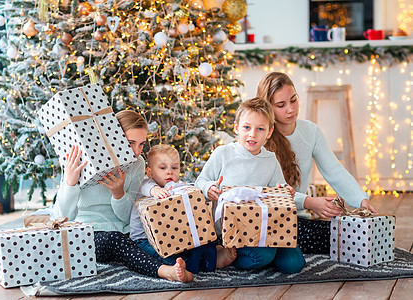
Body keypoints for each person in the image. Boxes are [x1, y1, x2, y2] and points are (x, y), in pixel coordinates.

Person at [53, 110, 193, 282]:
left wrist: (118, 195)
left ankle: (198, 262)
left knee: (156, 234)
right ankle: (165, 271)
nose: (136, 151)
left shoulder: (137, 163)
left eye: (141, 144)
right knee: (115, 239)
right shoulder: (81, 159)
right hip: (89, 234)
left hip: (125, 232)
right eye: (130, 143)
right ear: (113, 136)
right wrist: (70, 184)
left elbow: (129, 218)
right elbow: (61, 217)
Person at [256, 72, 377, 254]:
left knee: (351, 235)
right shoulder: (259, 137)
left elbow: (335, 171)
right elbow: (266, 191)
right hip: (267, 219)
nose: (290, 109)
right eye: (281, 105)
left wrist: (361, 199)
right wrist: (309, 202)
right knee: (337, 240)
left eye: (294, 100)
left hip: (298, 220)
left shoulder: (311, 132)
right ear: (268, 107)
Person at [195, 98, 306, 274]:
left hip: (266, 227)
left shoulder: (270, 159)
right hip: (234, 232)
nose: (252, 134)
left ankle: (267, 254)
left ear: (269, 132)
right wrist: (209, 187)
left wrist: (285, 191)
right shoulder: (223, 153)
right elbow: (200, 181)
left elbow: (279, 189)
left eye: (260, 129)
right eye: (247, 127)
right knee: (262, 256)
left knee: (295, 264)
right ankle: (227, 255)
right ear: (237, 127)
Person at [129, 144, 236, 274]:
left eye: (174, 167)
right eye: (163, 167)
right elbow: (145, 187)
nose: (169, 171)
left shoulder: (177, 186)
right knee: (164, 258)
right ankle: (182, 267)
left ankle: (214, 259)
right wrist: (155, 190)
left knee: (204, 242)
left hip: (173, 237)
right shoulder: (146, 184)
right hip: (145, 240)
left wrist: (209, 192)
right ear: (150, 172)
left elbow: (195, 196)